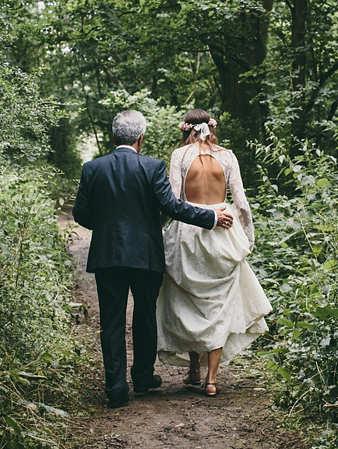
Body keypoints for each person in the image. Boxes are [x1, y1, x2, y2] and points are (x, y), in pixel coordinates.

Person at [72, 109, 234, 408]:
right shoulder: (152, 167)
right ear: (140, 138)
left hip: (107, 256)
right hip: (145, 254)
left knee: (111, 321)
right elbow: (172, 207)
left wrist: (107, 226)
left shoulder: (92, 168)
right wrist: (210, 216)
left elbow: (81, 213)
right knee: (145, 315)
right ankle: (144, 377)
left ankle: (116, 388)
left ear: (114, 137)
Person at [157, 109, 271, 397]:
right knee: (218, 304)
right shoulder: (228, 156)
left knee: (188, 299)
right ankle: (211, 379)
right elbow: (241, 203)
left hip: (188, 230)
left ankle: (193, 369)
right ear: (210, 126)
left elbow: (171, 200)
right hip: (223, 228)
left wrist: (160, 232)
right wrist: (247, 237)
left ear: (186, 129)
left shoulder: (180, 156)